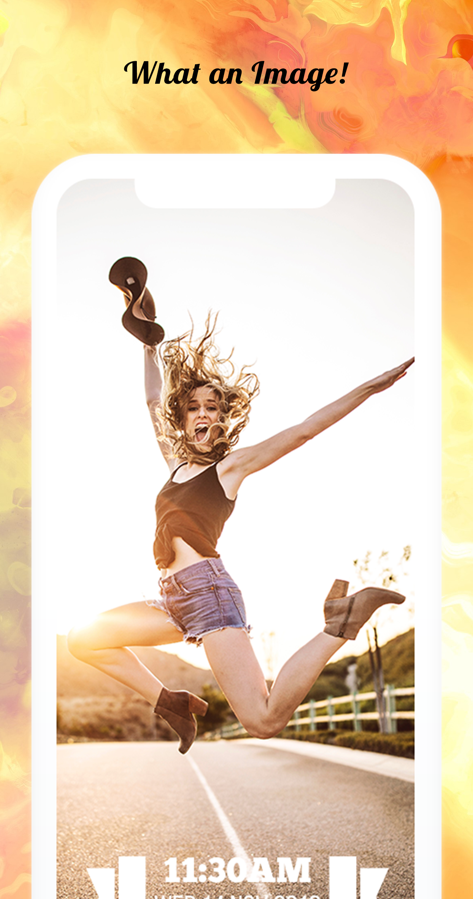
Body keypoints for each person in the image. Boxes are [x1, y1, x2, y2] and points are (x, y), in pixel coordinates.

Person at [67, 313, 413, 754]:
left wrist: (367, 388)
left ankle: (339, 624)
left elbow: (303, 431)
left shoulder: (229, 468)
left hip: (209, 594)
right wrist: (148, 346)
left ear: (223, 419)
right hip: (173, 598)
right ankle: (171, 702)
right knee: (83, 639)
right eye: (193, 407)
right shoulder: (175, 464)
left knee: (263, 720)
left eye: (212, 407)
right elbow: (153, 400)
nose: (202, 415)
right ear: (183, 416)